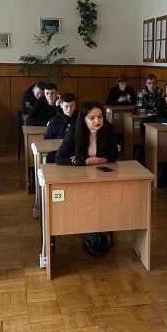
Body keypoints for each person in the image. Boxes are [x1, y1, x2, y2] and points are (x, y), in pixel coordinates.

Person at [55, 101, 118, 257]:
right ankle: (91, 237)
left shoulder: (108, 129)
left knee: (108, 200)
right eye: (92, 118)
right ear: (83, 119)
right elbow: (59, 158)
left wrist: (99, 160)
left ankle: (102, 234)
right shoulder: (73, 131)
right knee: (88, 203)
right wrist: (84, 162)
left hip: (101, 178)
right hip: (78, 178)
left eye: (100, 117)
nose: (97, 121)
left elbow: (114, 155)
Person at [44, 93, 77, 163]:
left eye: (72, 106)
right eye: (66, 106)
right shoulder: (54, 120)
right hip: (57, 150)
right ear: (61, 105)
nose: (69, 109)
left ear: (75, 105)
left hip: (75, 151)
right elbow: (47, 139)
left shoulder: (80, 119)